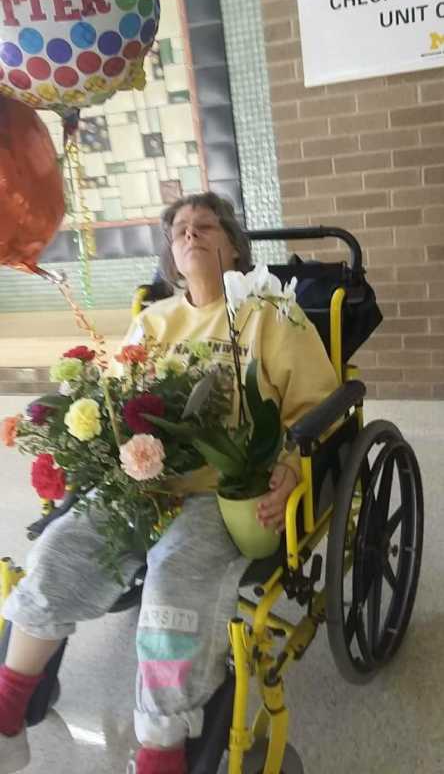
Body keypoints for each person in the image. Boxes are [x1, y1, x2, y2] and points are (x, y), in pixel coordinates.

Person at [0, 192, 338, 774]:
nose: (191, 233)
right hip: (146, 481)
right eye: (180, 228)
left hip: (226, 492)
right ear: (170, 256)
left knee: (171, 593)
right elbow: (117, 402)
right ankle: (6, 718)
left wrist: (290, 466)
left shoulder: (270, 312)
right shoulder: (154, 321)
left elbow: (319, 406)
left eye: (207, 225)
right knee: (59, 548)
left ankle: (161, 753)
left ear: (233, 246)